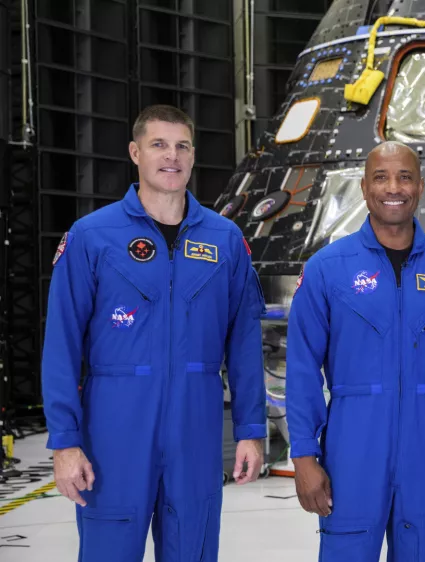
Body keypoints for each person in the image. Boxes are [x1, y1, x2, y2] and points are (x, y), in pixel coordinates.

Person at [41, 104, 267, 561]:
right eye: (159, 144)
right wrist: (65, 441)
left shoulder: (225, 240)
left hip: (197, 428)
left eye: (182, 146)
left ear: (193, 156)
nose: (172, 156)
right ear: (135, 152)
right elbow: (61, 343)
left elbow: (244, 344)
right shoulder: (92, 236)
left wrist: (250, 429)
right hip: (114, 429)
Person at [285, 140, 425, 561]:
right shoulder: (327, 269)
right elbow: (302, 367)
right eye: (381, 177)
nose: (393, 187)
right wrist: (304, 455)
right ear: (364, 187)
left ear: (420, 187)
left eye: (404, 177)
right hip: (352, 447)